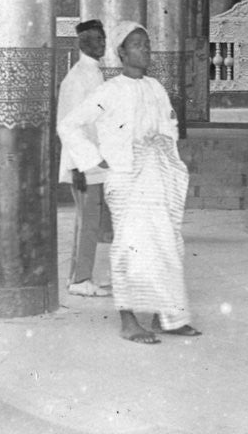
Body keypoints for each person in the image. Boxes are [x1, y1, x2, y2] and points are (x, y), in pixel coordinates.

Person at [58, 20, 200, 344]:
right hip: (125, 178)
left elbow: (169, 126)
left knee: (168, 245)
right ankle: (129, 320)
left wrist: (165, 148)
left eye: (147, 44)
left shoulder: (156, 88)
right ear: (121, 52)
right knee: (130, 247)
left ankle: (170, 317)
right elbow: (70, 125)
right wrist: (95, 161)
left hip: (158, 175)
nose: (145, 50)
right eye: (137, 45)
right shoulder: (109, 90)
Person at [56, 18, 111, 297]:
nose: (103, 44)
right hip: (84, 163)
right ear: (83, 43)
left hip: (94, 161)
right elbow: (66, 124)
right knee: (88, 222)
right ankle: (80, 281)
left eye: (103, 39)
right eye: (97, 40)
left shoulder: (94, 73)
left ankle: (78, 278)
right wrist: (79, 166)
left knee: (88, 221)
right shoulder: (76, 77)